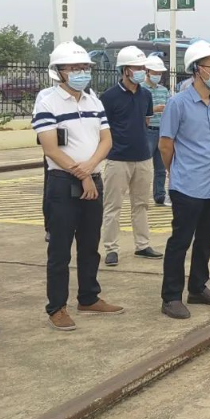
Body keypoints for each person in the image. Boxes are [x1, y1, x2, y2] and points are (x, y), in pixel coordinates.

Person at [33, 41, 123, 331]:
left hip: (92, 180)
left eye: (84, 67)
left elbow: (106, 140)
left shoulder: (93, 100)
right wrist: (81, 174)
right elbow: (50, 148)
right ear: (58, 71)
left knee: (89, 244)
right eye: (74, 67)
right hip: (63, 183)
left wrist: (91, 167)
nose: (81, 72)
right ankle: (57, 307)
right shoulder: (47, 101)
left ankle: (88, 297)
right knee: (60, 249)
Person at [158, 40, 210, 319]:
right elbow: (165, 145)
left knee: (205, 240)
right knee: (181, 241)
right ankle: (171, 297)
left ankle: (198, 287)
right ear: (198, 69)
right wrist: (176, 171)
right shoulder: (178, 104)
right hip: (187, 186)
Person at [100, 46, 163, 267]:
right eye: (137, 68)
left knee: (141, 204)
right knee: (113, 206)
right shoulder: (109, 97)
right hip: (117, 159)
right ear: (125, 70)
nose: (141, 72)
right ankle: (111, 249)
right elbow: (102, 128)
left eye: (142, 67)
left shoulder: (146, 95)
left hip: (143, 158)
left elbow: (146, 121)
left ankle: (142, 245)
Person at [142, 55, 171, 207]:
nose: (158, 75)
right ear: (147, 71)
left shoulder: (164, 90)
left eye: (160, 73)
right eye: (155, 72)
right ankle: (140, 196)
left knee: (161, 167)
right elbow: (137, 110)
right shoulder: (140, 89)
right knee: (144, 167)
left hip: (162, 131)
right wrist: (153, 109)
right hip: (147, 131)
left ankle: (160, 196)